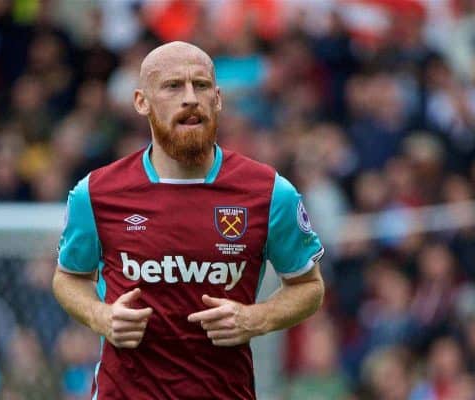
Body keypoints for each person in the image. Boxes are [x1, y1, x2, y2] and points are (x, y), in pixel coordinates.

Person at [52, 41, 325, 400]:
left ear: (218, 99)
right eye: (172, 86)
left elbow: (309, 286)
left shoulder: (270, 193)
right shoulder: (97, 193)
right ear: (141, 102)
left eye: (201, 85)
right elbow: (69, 277)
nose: (190, 98)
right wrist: (100, 316)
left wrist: (255, 319)